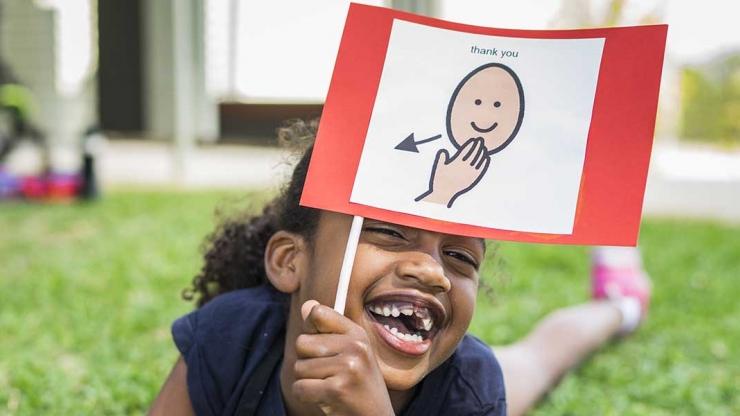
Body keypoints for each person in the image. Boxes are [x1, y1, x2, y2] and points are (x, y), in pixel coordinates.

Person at [149, 120, 650, 416]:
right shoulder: (227, 340)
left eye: (459, 257)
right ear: (289, 261)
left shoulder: (469, 391)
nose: (433, 273)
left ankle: (619, 302)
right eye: (389, 233)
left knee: (537, 360)